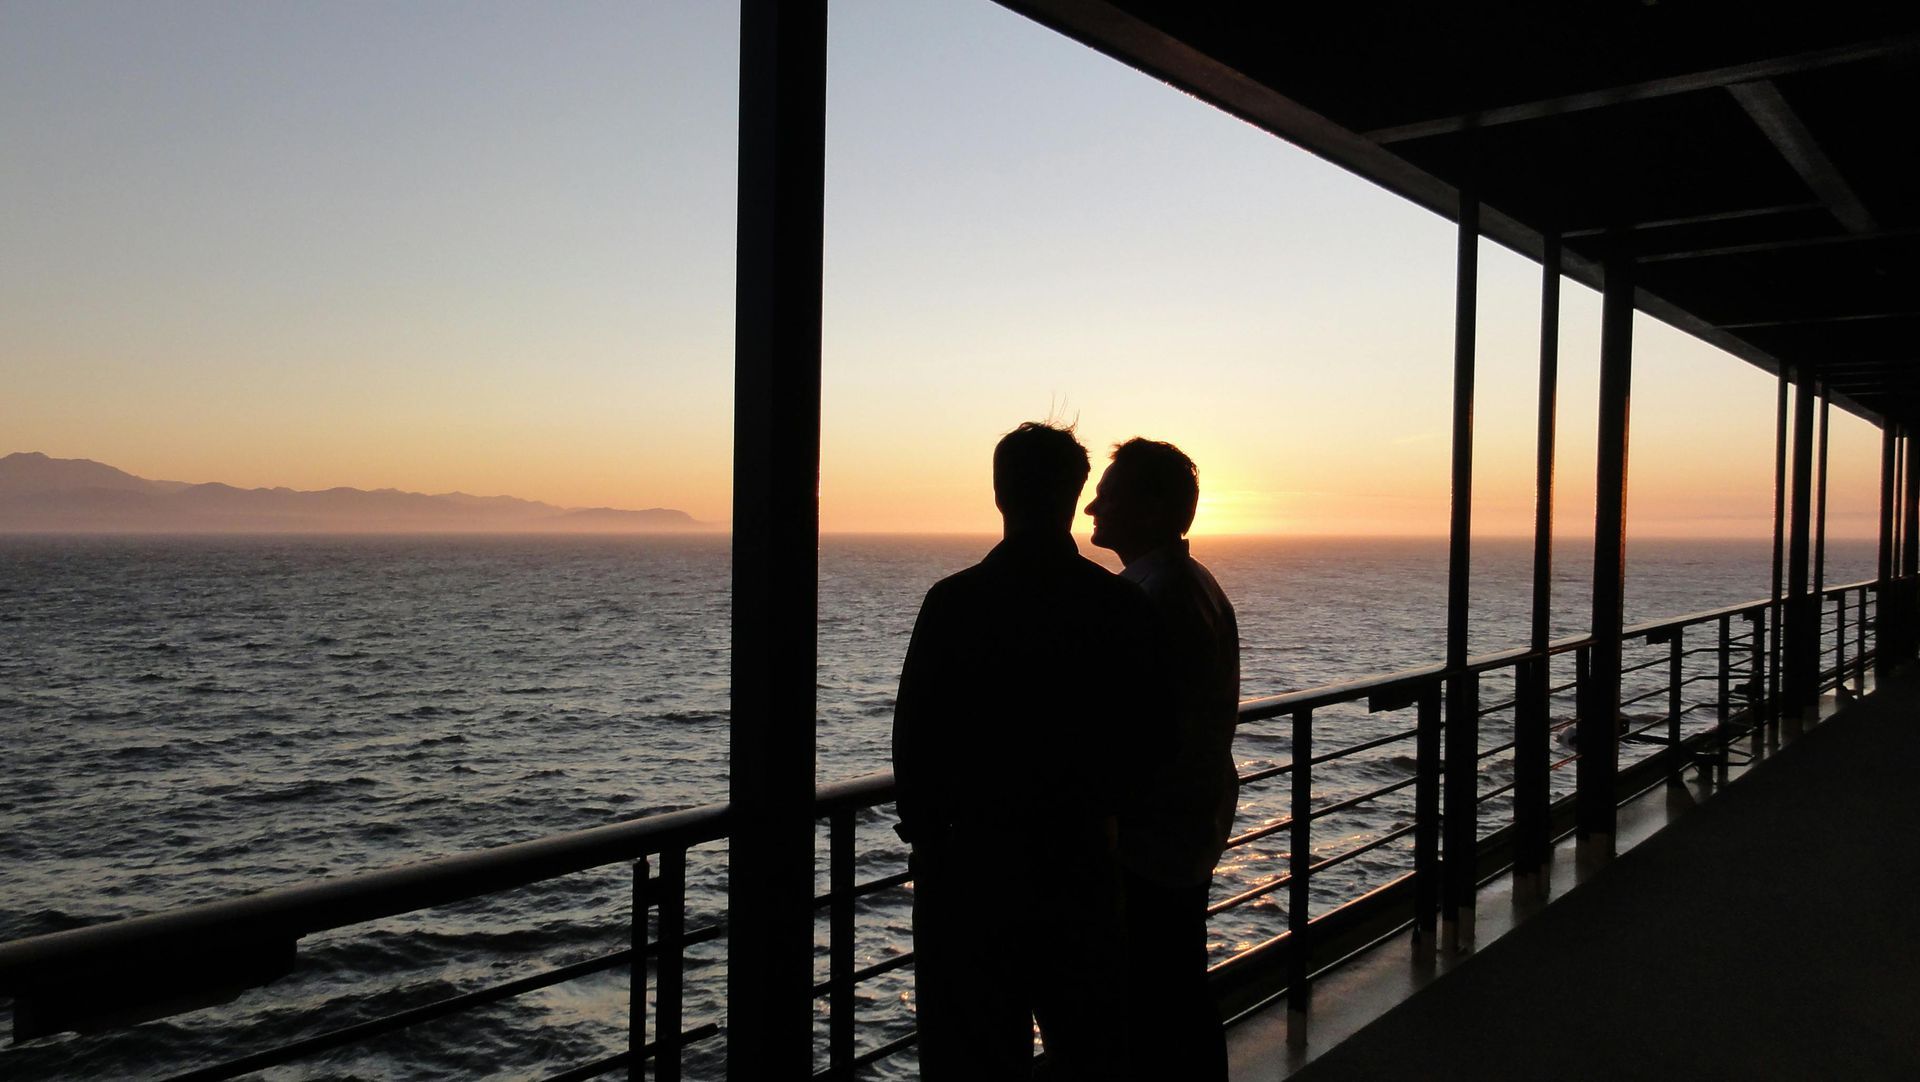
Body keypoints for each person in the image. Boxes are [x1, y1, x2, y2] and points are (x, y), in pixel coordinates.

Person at [893, 421, 1165, 1081]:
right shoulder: (1119, 608)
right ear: (1073, 495)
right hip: (1081, 874)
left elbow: (914, 744)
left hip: (969, 880)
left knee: (970, 1060)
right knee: (1092, 1054)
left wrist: (934, 840)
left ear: (999, 494)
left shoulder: (954, 604)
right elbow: (1150, 746)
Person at [1084, 437, 1239, 1082]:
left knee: (1147, 1006)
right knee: (1179, 988)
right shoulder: (1193, 585)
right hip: (1188, 831)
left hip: (1147, 842)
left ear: (1149, 509)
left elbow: (1130, 735)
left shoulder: (1147, 600)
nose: (1093, 506)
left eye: (1110, 494)